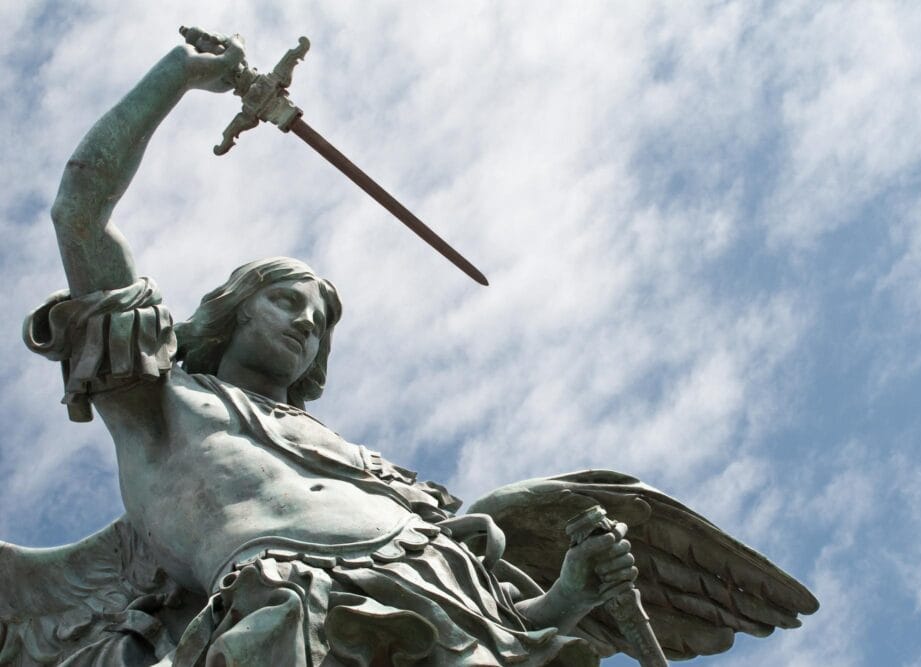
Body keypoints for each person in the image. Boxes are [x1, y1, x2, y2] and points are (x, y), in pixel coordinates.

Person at [30, 29, 637, 666]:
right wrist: (179, 74)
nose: (305, 325)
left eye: (318, 323)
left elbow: (481, 617)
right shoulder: (160, 400)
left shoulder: (369, 469)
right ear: (232, 312)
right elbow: (79, 211)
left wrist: (568, 596)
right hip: (289, 620)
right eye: (286, 303)